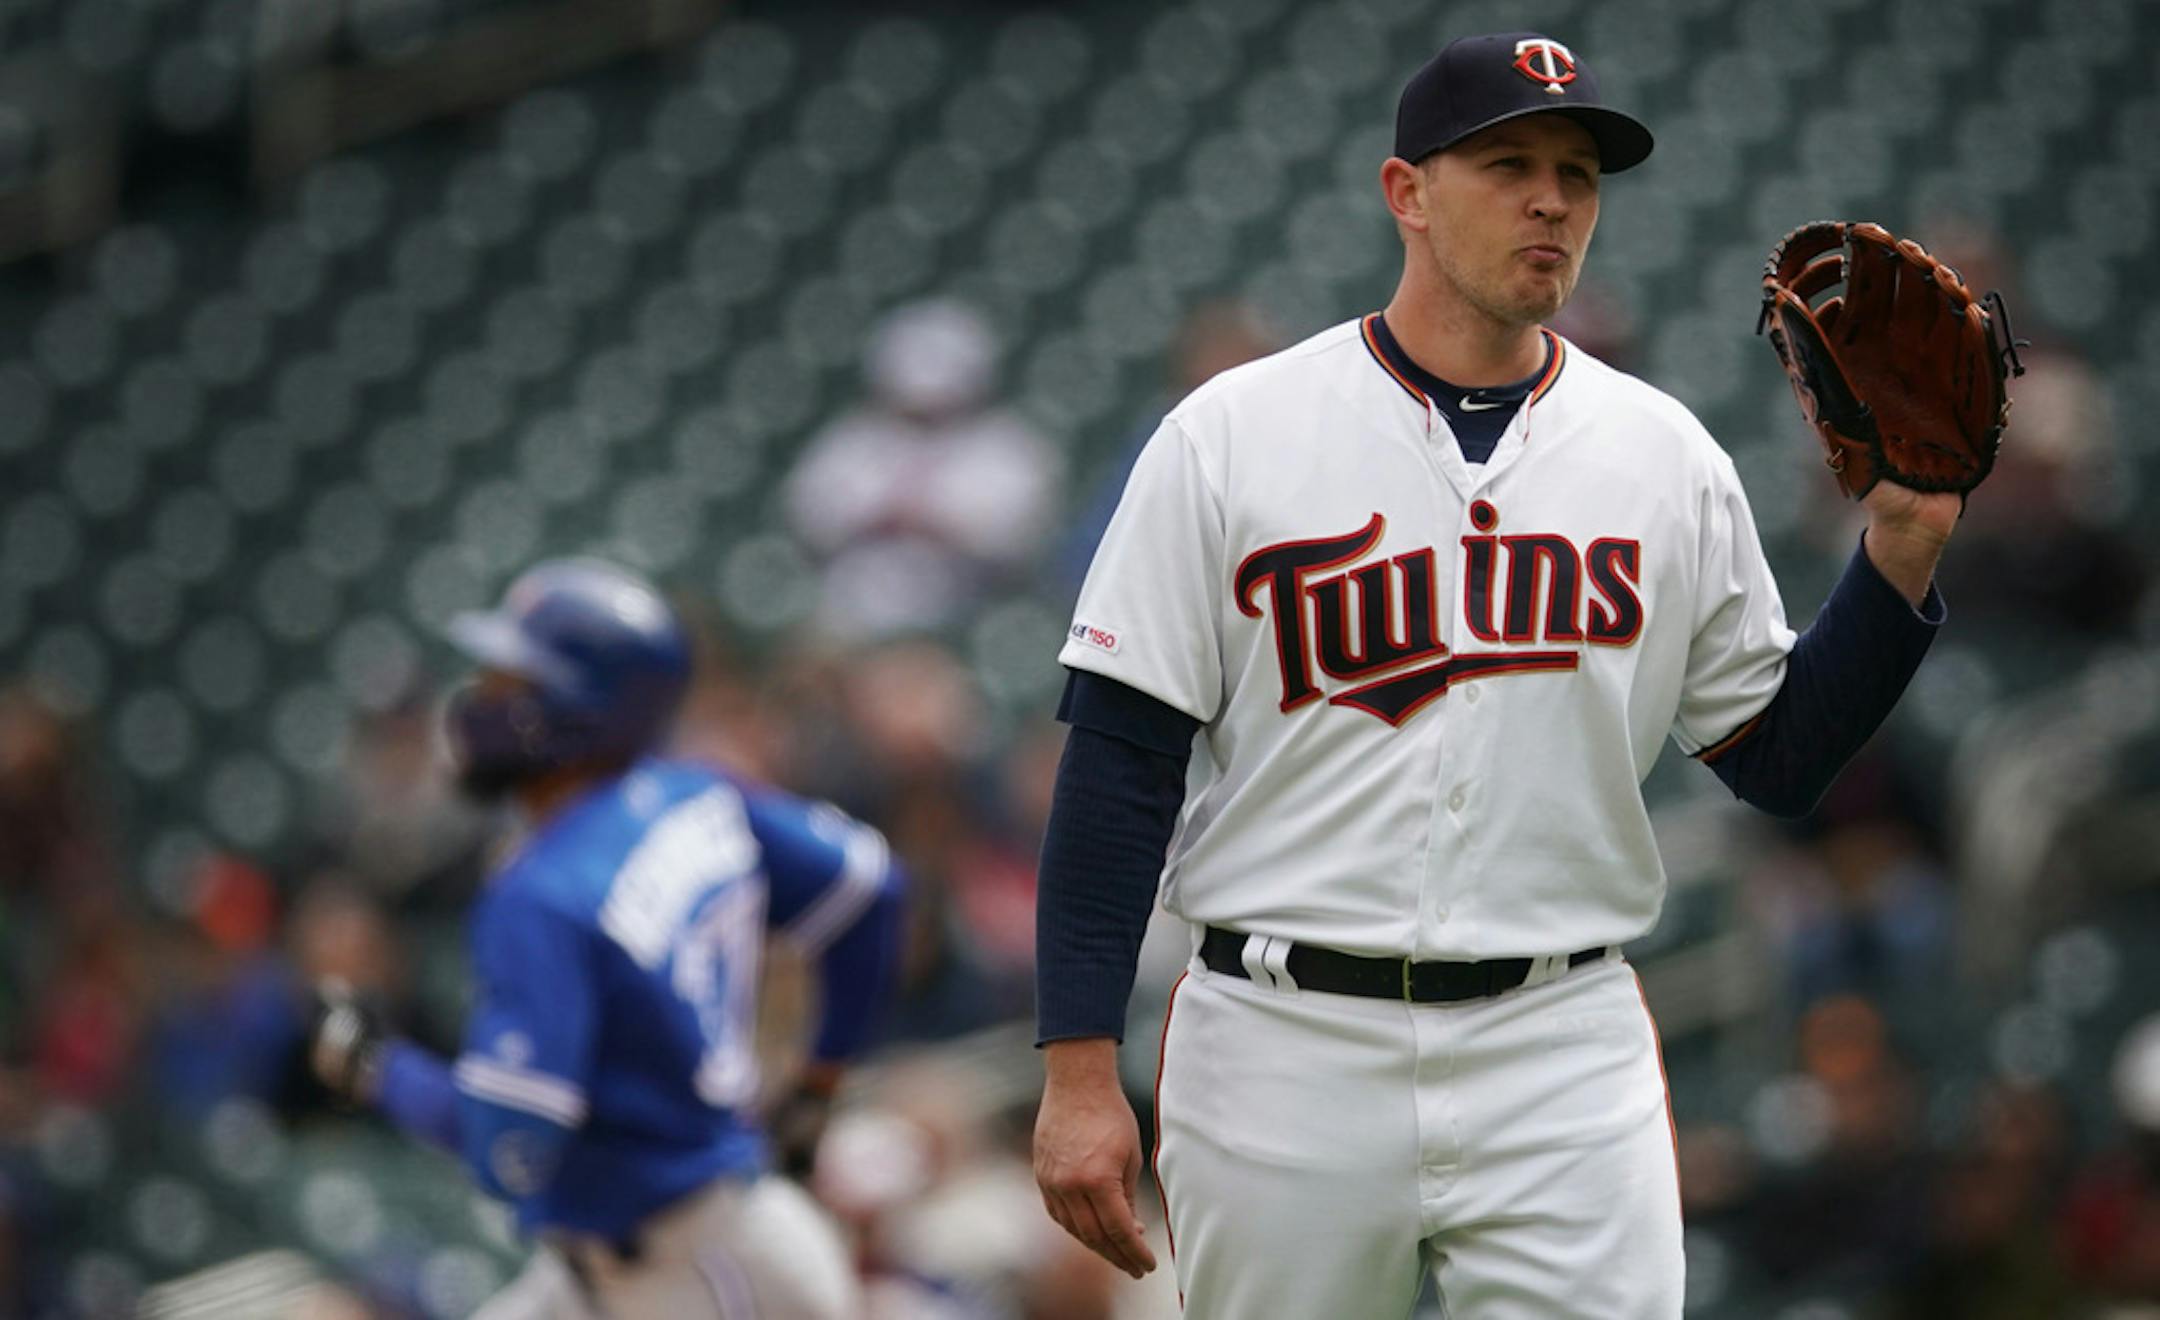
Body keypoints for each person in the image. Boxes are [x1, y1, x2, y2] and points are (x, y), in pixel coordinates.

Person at [1031, 31, 1963, 1319]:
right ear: (1404, 193)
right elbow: (1120, 766)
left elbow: (1778, 758)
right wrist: (1081, 1069)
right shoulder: (1231, 435)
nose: (1552, 199)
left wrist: (1900, 552)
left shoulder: (1663, 455)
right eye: (1508, 163)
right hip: (1286, 1042)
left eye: (1579, 174)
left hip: (1559, 1040)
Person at [306, 558, 905, 1319]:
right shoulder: (694, 796)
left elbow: (511, 1145)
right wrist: (817, 1083)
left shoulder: (545, 890)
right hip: (690, 1246)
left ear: (575, 714)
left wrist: (375, 1067)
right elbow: (870, 889)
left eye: (509, 685)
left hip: (689, 1277)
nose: (477, 704)